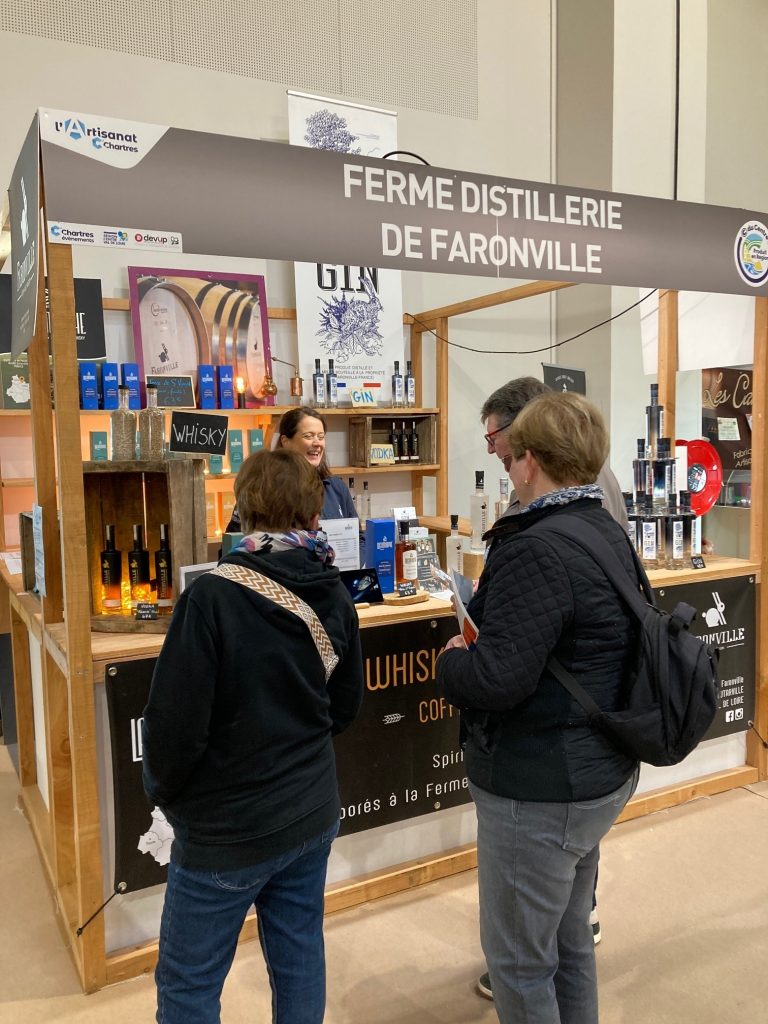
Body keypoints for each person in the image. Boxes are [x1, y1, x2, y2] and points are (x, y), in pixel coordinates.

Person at [437, 392, 640, 1024]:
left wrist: (451, 658)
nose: (503, 462)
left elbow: (497, 679)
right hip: (599, 768)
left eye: (509, 452)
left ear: (529, 462)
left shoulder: (534, 546)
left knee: (520, 964)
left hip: (543, 785)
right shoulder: (602, 527)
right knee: (569, 940)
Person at [142, 448, 364, 1024]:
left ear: (244, 507)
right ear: (313, 511)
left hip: (228, 826)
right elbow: (343, 709)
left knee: (188, 980)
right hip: (310, 809)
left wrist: (168, 796)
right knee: (298, 955)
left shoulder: (212, 597)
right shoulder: (334, 591)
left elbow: (173, 729)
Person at [226, 406, 357, 531]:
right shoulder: (263, 488)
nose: (317, 443)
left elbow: (359, 537)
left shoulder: (336, 487)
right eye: (308, 436)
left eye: (321, 437)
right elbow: (232, 542)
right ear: (285, 441)